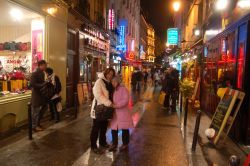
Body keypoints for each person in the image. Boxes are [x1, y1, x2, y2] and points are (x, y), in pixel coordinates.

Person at [90, 67, 115, 154]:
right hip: (99, 109)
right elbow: (98, 95)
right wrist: (109, 103)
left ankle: (102, 142)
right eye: (108, 74)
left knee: (104, 127)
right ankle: (93, 146)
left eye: (112, 75)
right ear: (105, 73)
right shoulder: (99, 82)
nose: (110, 76)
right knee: (96, 128)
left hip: (107, 109)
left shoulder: (109, 83)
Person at [109, 76, 133, 152]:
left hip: (123, 112)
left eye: (115, 82)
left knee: (125, 128)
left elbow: (125, 100)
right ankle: (114, 143)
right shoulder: (114, 90)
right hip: (115, 112)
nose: (113, 83)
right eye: (112, 82)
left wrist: (116, 105)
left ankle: (125, 143)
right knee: (113, 128)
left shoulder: (123, 89)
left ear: (118, 82)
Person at [30, 60, 48, 132]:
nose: (46, 66)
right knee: (35, 111)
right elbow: (32, 84)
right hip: (36, 95)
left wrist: (46, 82)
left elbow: (41, 82)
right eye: (45, 65)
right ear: (41, 65)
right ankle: (34, 126)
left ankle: (37, 124)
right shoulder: (35, 73)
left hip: (41, 94)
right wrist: (43, 84)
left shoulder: (42, 73)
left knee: (44, 108)